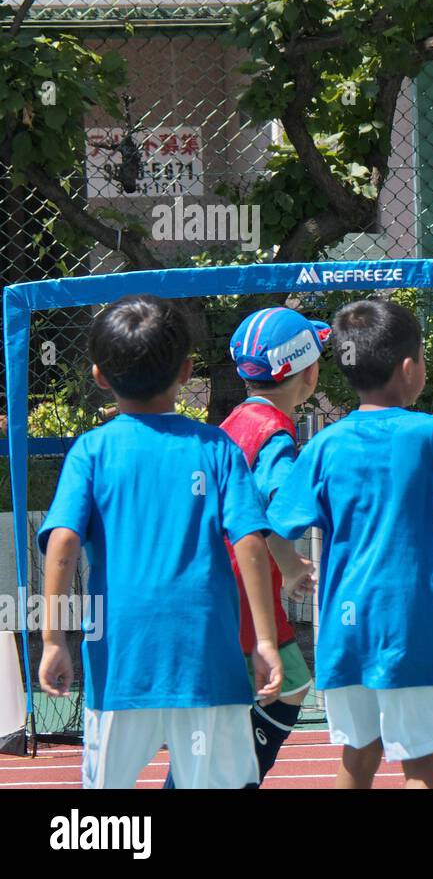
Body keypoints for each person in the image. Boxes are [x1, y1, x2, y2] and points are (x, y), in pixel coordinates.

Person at [267, 299, 433, 788]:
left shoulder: (326, 444)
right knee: (422, 765)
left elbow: (275, 525)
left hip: (347, 631)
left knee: (356, 754)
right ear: (409, 368)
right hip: (417, 630)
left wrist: (291, 566)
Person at [38, 295, 283, 788]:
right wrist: (264, 641)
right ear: (187, 371)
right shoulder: (216, 447)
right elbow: (251, 545)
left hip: (120, 663)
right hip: (206, 661)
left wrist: (52, 639)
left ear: (100, 376)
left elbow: (63, 542)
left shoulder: (93, 449)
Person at [161, 306, 326, 789]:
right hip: (240, 592)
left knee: (223, 716)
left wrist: (289, 564)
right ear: (308, 373)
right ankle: (237, 778)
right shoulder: (276, 433)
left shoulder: (234, 420)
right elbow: (276, 499)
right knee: (287, 685)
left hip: (214, 584)